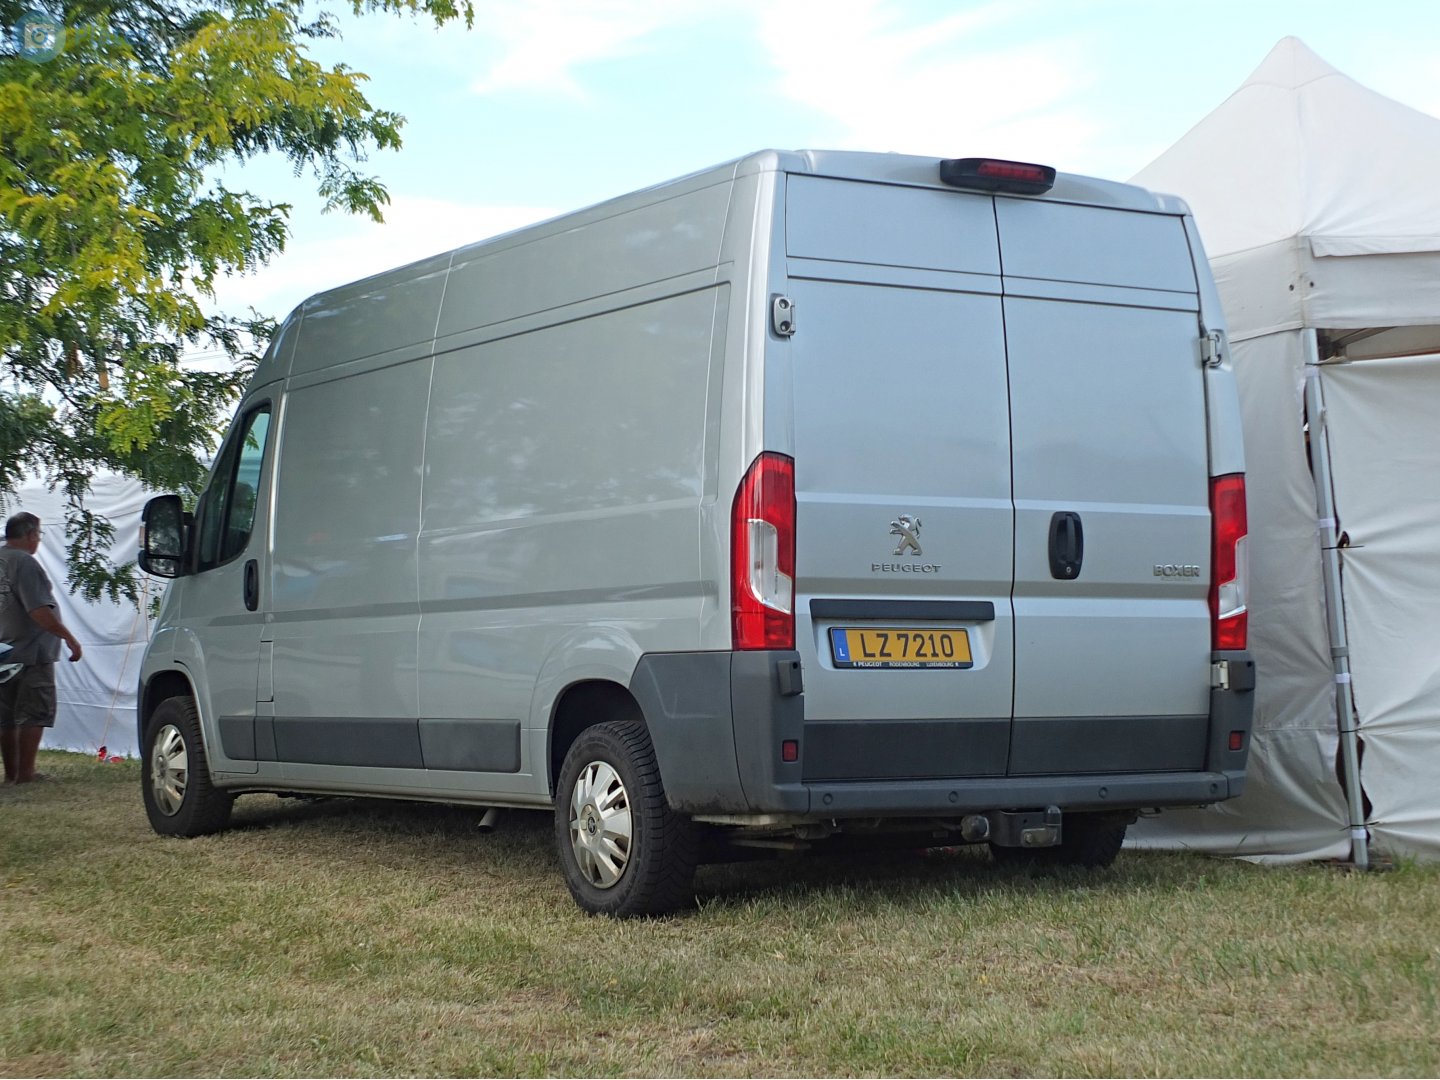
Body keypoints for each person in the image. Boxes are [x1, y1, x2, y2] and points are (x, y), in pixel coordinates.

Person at [0, 512, 83, 784]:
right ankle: (26, 773)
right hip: (30, 652)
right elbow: (38, 609)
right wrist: (68, 637)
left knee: (6, 716)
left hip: (3, 650)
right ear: (31, 534)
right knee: (35, 711)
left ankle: (11, 773)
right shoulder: (25, 563)